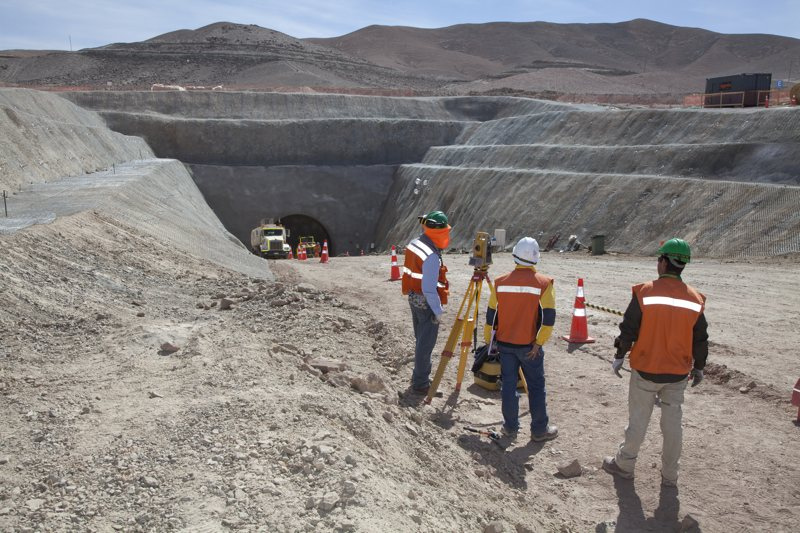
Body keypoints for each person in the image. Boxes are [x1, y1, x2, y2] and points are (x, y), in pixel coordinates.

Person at [602, 238, 709, 488]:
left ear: (663, 262)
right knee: (672, 426)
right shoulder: (696, 299)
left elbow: (628, 329)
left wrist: (619, 356)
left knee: (638, 421)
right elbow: (700, 339)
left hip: (645, 370)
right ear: (683, 265)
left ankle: (625, 464)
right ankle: (670, 475)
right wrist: (699, 367)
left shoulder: (644, 292)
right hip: (677, 374)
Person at [483, 237, 558, 441]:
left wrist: (489, 340)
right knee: (535, 387)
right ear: (536, 258)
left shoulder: (500, 282)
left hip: (505, 345)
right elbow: (548, 319)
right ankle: (539, 431)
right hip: (529, 347)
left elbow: (490, 316)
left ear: (514, 255)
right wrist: (539, 343)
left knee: (508, 386)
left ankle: (510, 428)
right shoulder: (544, 284)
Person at [401, 210, 450, 394]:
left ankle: (419, 377)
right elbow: (429, 288)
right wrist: (438, 311)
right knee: (425, 344)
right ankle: (421, 383)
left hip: (414, 297)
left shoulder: (415, 243)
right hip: (426, 303)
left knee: (420, 340)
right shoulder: (431, 256)